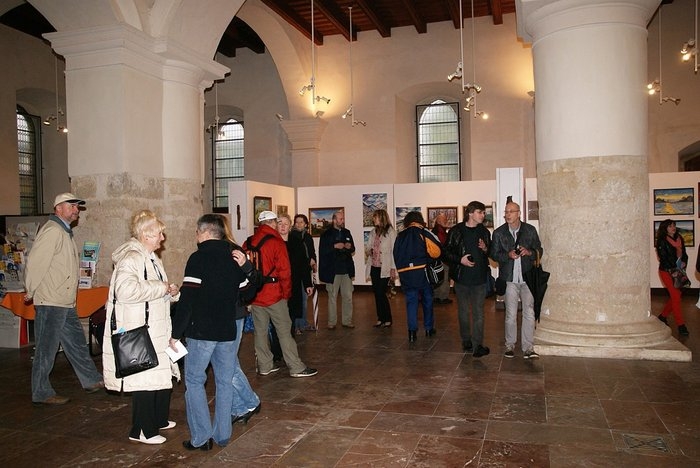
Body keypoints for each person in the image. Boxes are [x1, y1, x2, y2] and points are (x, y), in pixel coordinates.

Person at [170, 214, 249, 451]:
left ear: (204, 232)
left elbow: (188, 298)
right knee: (224, 382)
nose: (196, 236)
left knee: (195, 381)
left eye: (196, 232)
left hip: (202, 331)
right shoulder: (233, 257)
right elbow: (247, 291)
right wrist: (246, 267)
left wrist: (176, 333)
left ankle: (201, 437)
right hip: (227, 330)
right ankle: (223, 435)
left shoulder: (198, 258)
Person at [102, 210, 181, 445]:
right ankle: (142, 430)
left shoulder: (151, 257)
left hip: (155, 327)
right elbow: (125, 291)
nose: (162, 238)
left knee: (160, 375)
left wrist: (171, 292)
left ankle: (158, 419)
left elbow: (154, 290)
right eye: (159, 233)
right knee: (145, 379)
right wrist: (162, 287)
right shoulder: (132, 258)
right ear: (146, 235)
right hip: (140, 329)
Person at [24, 192, 104, 405]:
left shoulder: (63, 231)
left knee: (77, 343)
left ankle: (91, 380)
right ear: (58, 208)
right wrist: (30, 290)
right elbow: (36, 263)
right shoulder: (52, 231)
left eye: (77, 206)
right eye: (72, 206)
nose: (76, 210)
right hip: (51, 301)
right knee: (46, 349)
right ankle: (41, 392)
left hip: (63, 301)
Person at [245, 210, 318, 378]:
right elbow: (285, 272)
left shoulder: (248, 242)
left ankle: (264, 365)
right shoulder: (276, 242)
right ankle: (296, 367)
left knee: (260, 332)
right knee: (284, 331)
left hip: (256, 294)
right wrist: (286, 294)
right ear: (272, 223)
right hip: (274, 294)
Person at [221, 221, 262, 427]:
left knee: (227, 363)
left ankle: (251, 401)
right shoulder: (220, 251)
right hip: (224, 313)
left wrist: (246, 266)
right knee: (229, 362)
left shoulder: (233, 251)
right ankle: (239, 407)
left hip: (234, 312)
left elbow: (251, 282)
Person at [490, 200, 542, 359]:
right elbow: (493, 254)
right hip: (509, 279)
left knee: (529, 313)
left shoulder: (530, 230)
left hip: (527, 277)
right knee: (510, 314)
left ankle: (528, 348)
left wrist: (529, 252)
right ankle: (509, 345)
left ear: (519, 213)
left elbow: (539, 249)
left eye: (511, 211)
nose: (508, 215)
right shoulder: (499, 233)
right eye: (506, 212)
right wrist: (508, 255)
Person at [443, 201, 491, 357]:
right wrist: (460, 260)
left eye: (483, 212)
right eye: (480, 212)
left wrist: (485, 248)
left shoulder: (484, 231)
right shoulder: (456, 231)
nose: (483, 215)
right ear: (470, 213)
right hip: (461, 279)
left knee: (479, 313)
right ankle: (466, 340)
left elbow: (490, 252)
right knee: (463, 312)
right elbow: (445, 253)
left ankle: (478, 346)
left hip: (479, 279)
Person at [393, 211, 441, 342]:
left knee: (411, 302)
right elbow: (436, 251)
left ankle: (412, 332)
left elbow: (395, 254)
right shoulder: (423, 232)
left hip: (406, 274)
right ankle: (428, 328)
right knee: (427, 300)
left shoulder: (400, 235)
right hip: (422, 272)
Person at [318, 210, 356, 329]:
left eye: (343, 219)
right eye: (340, 219)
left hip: (346, 269)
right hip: (332, 270)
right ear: (334, 220)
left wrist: (349, 247)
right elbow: (322, 251)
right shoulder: (326, 234)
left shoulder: (347, 232)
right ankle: (332, 322)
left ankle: (347, 321)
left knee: (348, 297)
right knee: (332, 297)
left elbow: (353, 248)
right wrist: (334, 246)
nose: (342, 221)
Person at [278, 214, 314, 335]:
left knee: (292, 313)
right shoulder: (272, 242)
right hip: (277, 286)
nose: (283, 226)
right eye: (280, 223)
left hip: (293, 283)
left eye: (286, 224)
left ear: (290, 226)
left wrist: (308, 284)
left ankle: (291, 337)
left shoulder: (296, 242)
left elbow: (303, 264)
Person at [655, 219, 689, 336]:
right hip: (666, 271)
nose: (673, 227)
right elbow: (663, 258)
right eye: (670, 226)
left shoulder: (679, 238)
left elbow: (684, 254)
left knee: (676, 295)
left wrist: (683, 262)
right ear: (665, 228)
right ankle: (681, 325)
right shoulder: (661, 241)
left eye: (674, 225)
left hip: (678, 270)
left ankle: (663, 316)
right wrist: (675, 266)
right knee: (676, 296)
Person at [365, 209, 396, 328]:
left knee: (381, 293)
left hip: (385, 267)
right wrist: (369, 250)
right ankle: (380, 318)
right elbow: (368, 247)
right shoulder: (373, 232)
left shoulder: (391, 232)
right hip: (374, 266)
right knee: (377, 294)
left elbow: (394, 252)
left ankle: (388, 318)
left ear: (382, 218)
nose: (374, 219)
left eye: (375, 217)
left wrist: (393, 268)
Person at [292, 214, 317, 331]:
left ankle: (302, 323)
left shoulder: (308, 237)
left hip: (306, 271)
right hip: (295, 272)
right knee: (297, 299)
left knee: (304, 298)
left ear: (306, 224)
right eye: (297, 222)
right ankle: (297, 324)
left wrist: (313, 261)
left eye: (301, 222)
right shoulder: (291, 237)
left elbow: (312, 251)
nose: (298, 224)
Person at [431, 213, 452, 304]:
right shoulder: (441, 232)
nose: (446, 221)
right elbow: (444, 245)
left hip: (435, 259)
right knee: (444, 277)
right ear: (439, 221)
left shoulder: (434, 231)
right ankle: (443, 297)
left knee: (437, 277)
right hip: (443, 259)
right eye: (444, 220)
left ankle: (436, 296)